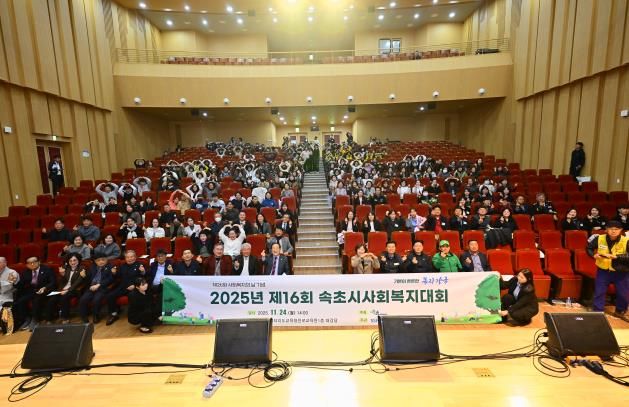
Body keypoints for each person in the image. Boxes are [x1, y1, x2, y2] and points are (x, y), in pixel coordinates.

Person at [586, 221, 629, 321]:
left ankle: (620, 311)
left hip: (621, 271)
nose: (613, 231)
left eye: (616, 229)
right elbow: (589, 248)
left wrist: (617, 257)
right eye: (611, 229)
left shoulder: (626, 240)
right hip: (603, 270)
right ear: (606, 230)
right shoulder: (599, 238)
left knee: (623, 293)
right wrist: (593, 255)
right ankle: (598, 311)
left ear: (621, 230)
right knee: (599, 291)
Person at [14, 257, 55, 331]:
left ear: (39, 262)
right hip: (32, 291)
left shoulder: (47, 269)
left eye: (34, 262)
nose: (32, 264)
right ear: (27, 265)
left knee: (36, 300)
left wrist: (45, 288)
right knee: (20, 301)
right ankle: (27, 319)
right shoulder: (25, 272)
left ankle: (35, 320)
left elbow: (53, 282)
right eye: (29, 263)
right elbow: (20, 285)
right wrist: (14, 282)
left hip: (44, 291)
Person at [106, 250, 146, 326]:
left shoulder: (139, 265)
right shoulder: (122, 266)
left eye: (131, 257)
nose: (129, 259)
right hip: (123, 287)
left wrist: (142, 272)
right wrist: (114, 273)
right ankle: (114, 314)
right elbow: (118, 276)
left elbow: (143, 278)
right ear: (125, 258)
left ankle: (135, 315)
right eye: (127, 257)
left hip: (134, 287)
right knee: (110, 296)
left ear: (135, 257)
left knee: (132, 296)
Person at [46, 253, 86, 324]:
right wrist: (62, 275)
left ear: (78, 260)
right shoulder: (65, 267)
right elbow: (60, 282)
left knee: (64, 298)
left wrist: (67, 290)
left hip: (74, 290)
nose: (72, 262)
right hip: (62, 289)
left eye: (74, 260)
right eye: (70, 261)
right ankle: (49, 319)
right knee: (52, 299)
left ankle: (65, 318)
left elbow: (78, 282)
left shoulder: (82, 268)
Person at [79, 251, 114, 323]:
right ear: (95, 261)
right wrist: (84, 276)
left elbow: (110, 279)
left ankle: (96, 315)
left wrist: (99, 285)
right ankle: (84, 316)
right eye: (98, 260)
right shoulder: (92, 267)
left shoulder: (110, 267)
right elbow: (88, 279)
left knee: (96, 299)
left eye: (103, 259)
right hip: (91, 287)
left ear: (106, 260)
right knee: (83, 299)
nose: (101, 262)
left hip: (102, 288)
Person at [0, 257, 19, 335]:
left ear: (5, 263)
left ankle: (6, 327)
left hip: (7, 295)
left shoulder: (12, 272)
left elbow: (10, 286)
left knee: (5, 308)